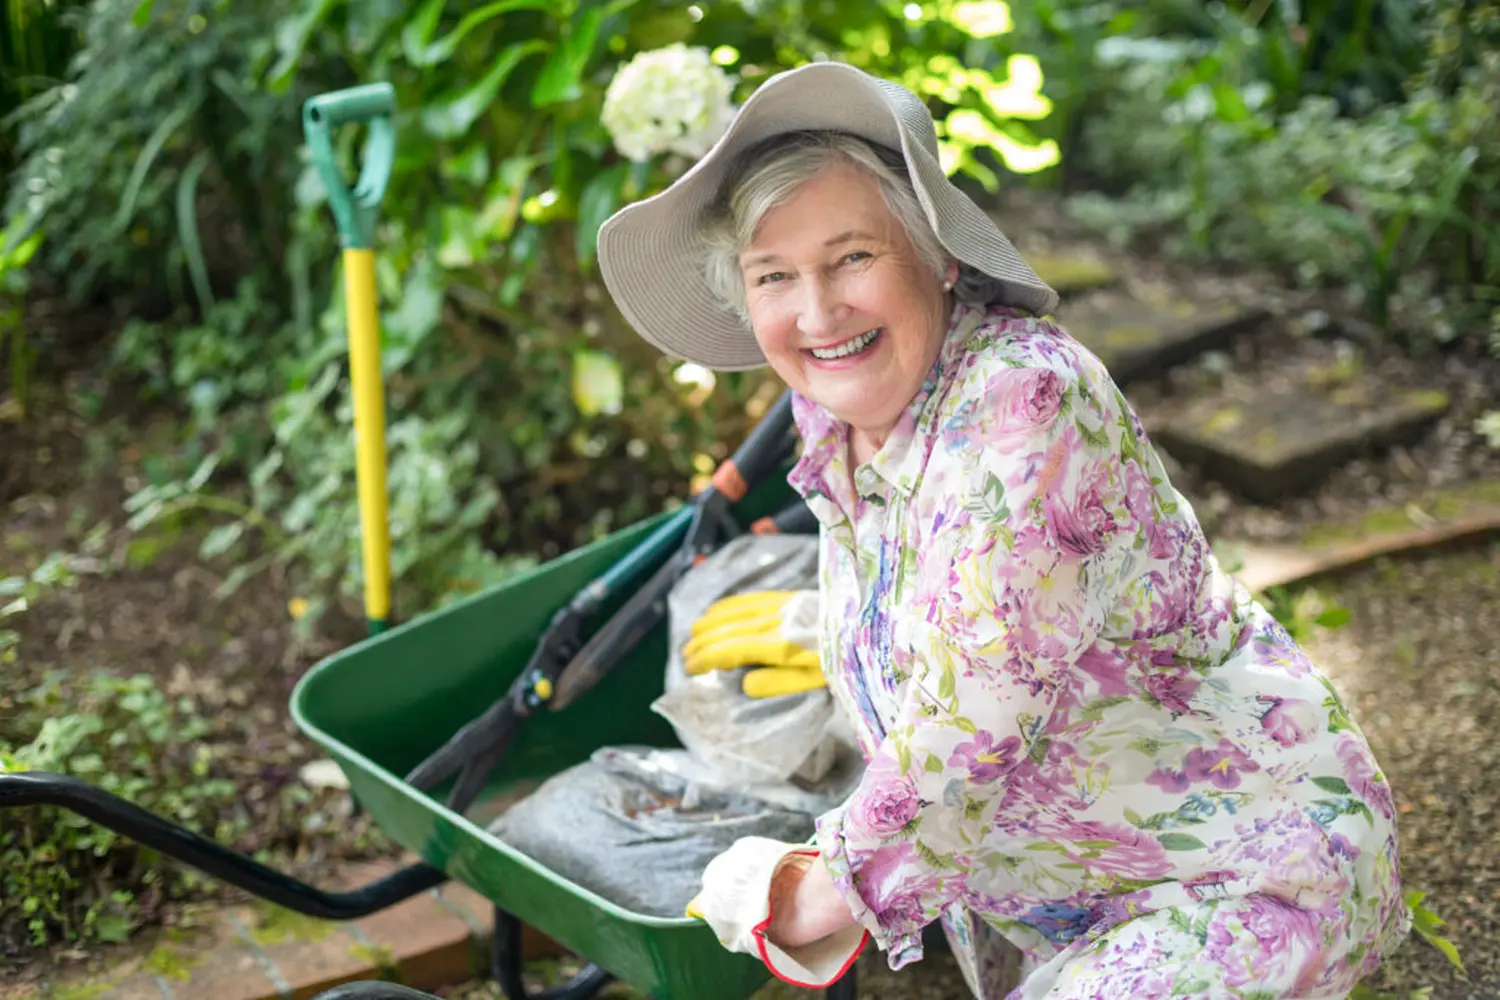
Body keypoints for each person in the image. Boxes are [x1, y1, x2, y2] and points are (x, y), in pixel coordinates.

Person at [596, 61, 1410, 999]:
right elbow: (958, 597)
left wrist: (805, 890)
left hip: (1241, 878)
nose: (818, 313)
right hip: (1075, 893)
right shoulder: (841, 416)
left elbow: (971, 715)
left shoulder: (1025, 397)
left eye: (853, 256)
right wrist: (820, 638)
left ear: (939, 254)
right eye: (775, 276)